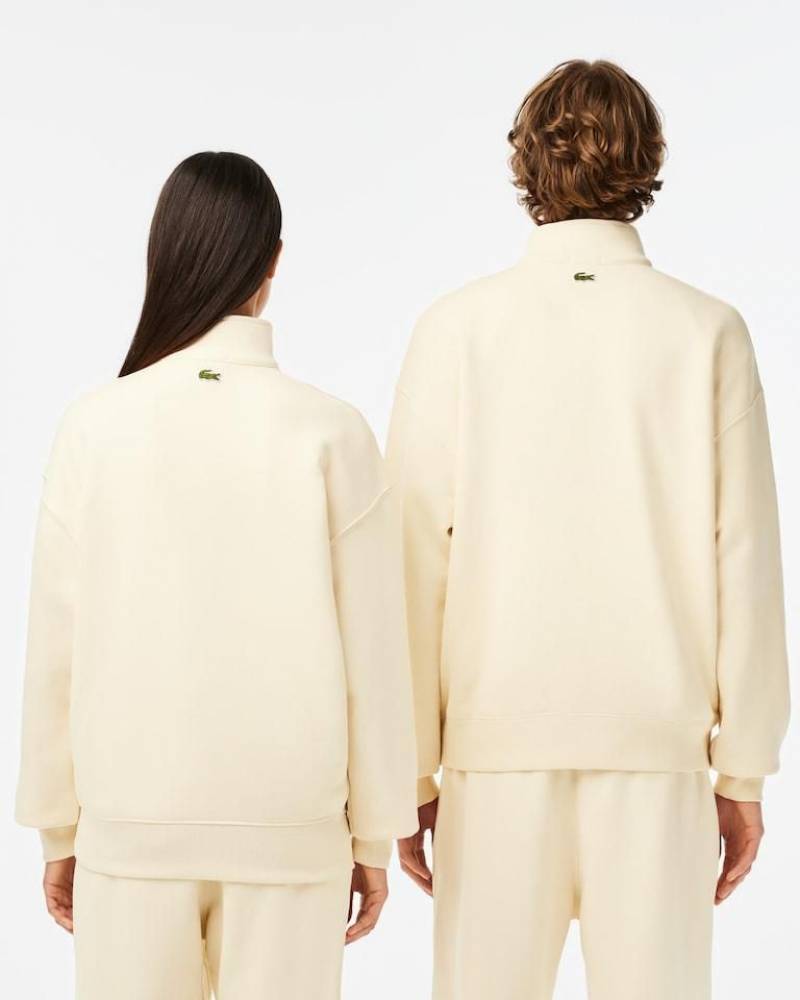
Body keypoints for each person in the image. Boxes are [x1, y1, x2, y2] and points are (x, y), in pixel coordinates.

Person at [389, 60, 789, 1000]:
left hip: (493, 756)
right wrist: (742, 772)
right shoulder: (707, 331)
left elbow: (411, 563)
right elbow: (745, 559)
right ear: (648, 157)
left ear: (526, 160)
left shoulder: (456, 329)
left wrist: (406, 772)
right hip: (655, 756)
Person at [16, 151, 417, 999]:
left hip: (131, 830)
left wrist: (59, 828)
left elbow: (55, 647)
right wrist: (374, 834)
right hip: (293, 834)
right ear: (274, 262)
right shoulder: (331, 433)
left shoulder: (94, 428)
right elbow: (376, 659)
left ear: (164, 257)